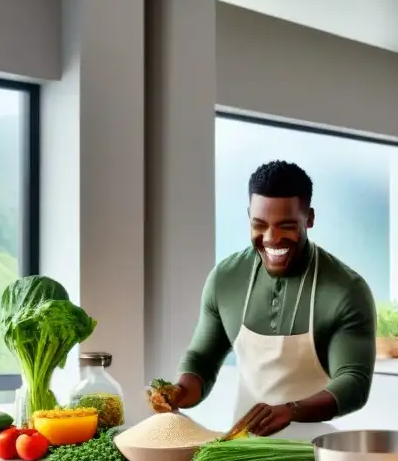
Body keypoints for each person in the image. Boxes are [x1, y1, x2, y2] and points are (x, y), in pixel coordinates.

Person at [148, 161, 377, 436]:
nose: (271, 238)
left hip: (314, 456)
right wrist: (180, 392)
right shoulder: (225, 279)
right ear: (248, 216)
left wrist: (291, 410)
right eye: (259, 225)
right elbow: (202, 359)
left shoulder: (346, 290)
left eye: (287, 226)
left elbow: (354, 382)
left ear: (310, 219)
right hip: (239, 449)